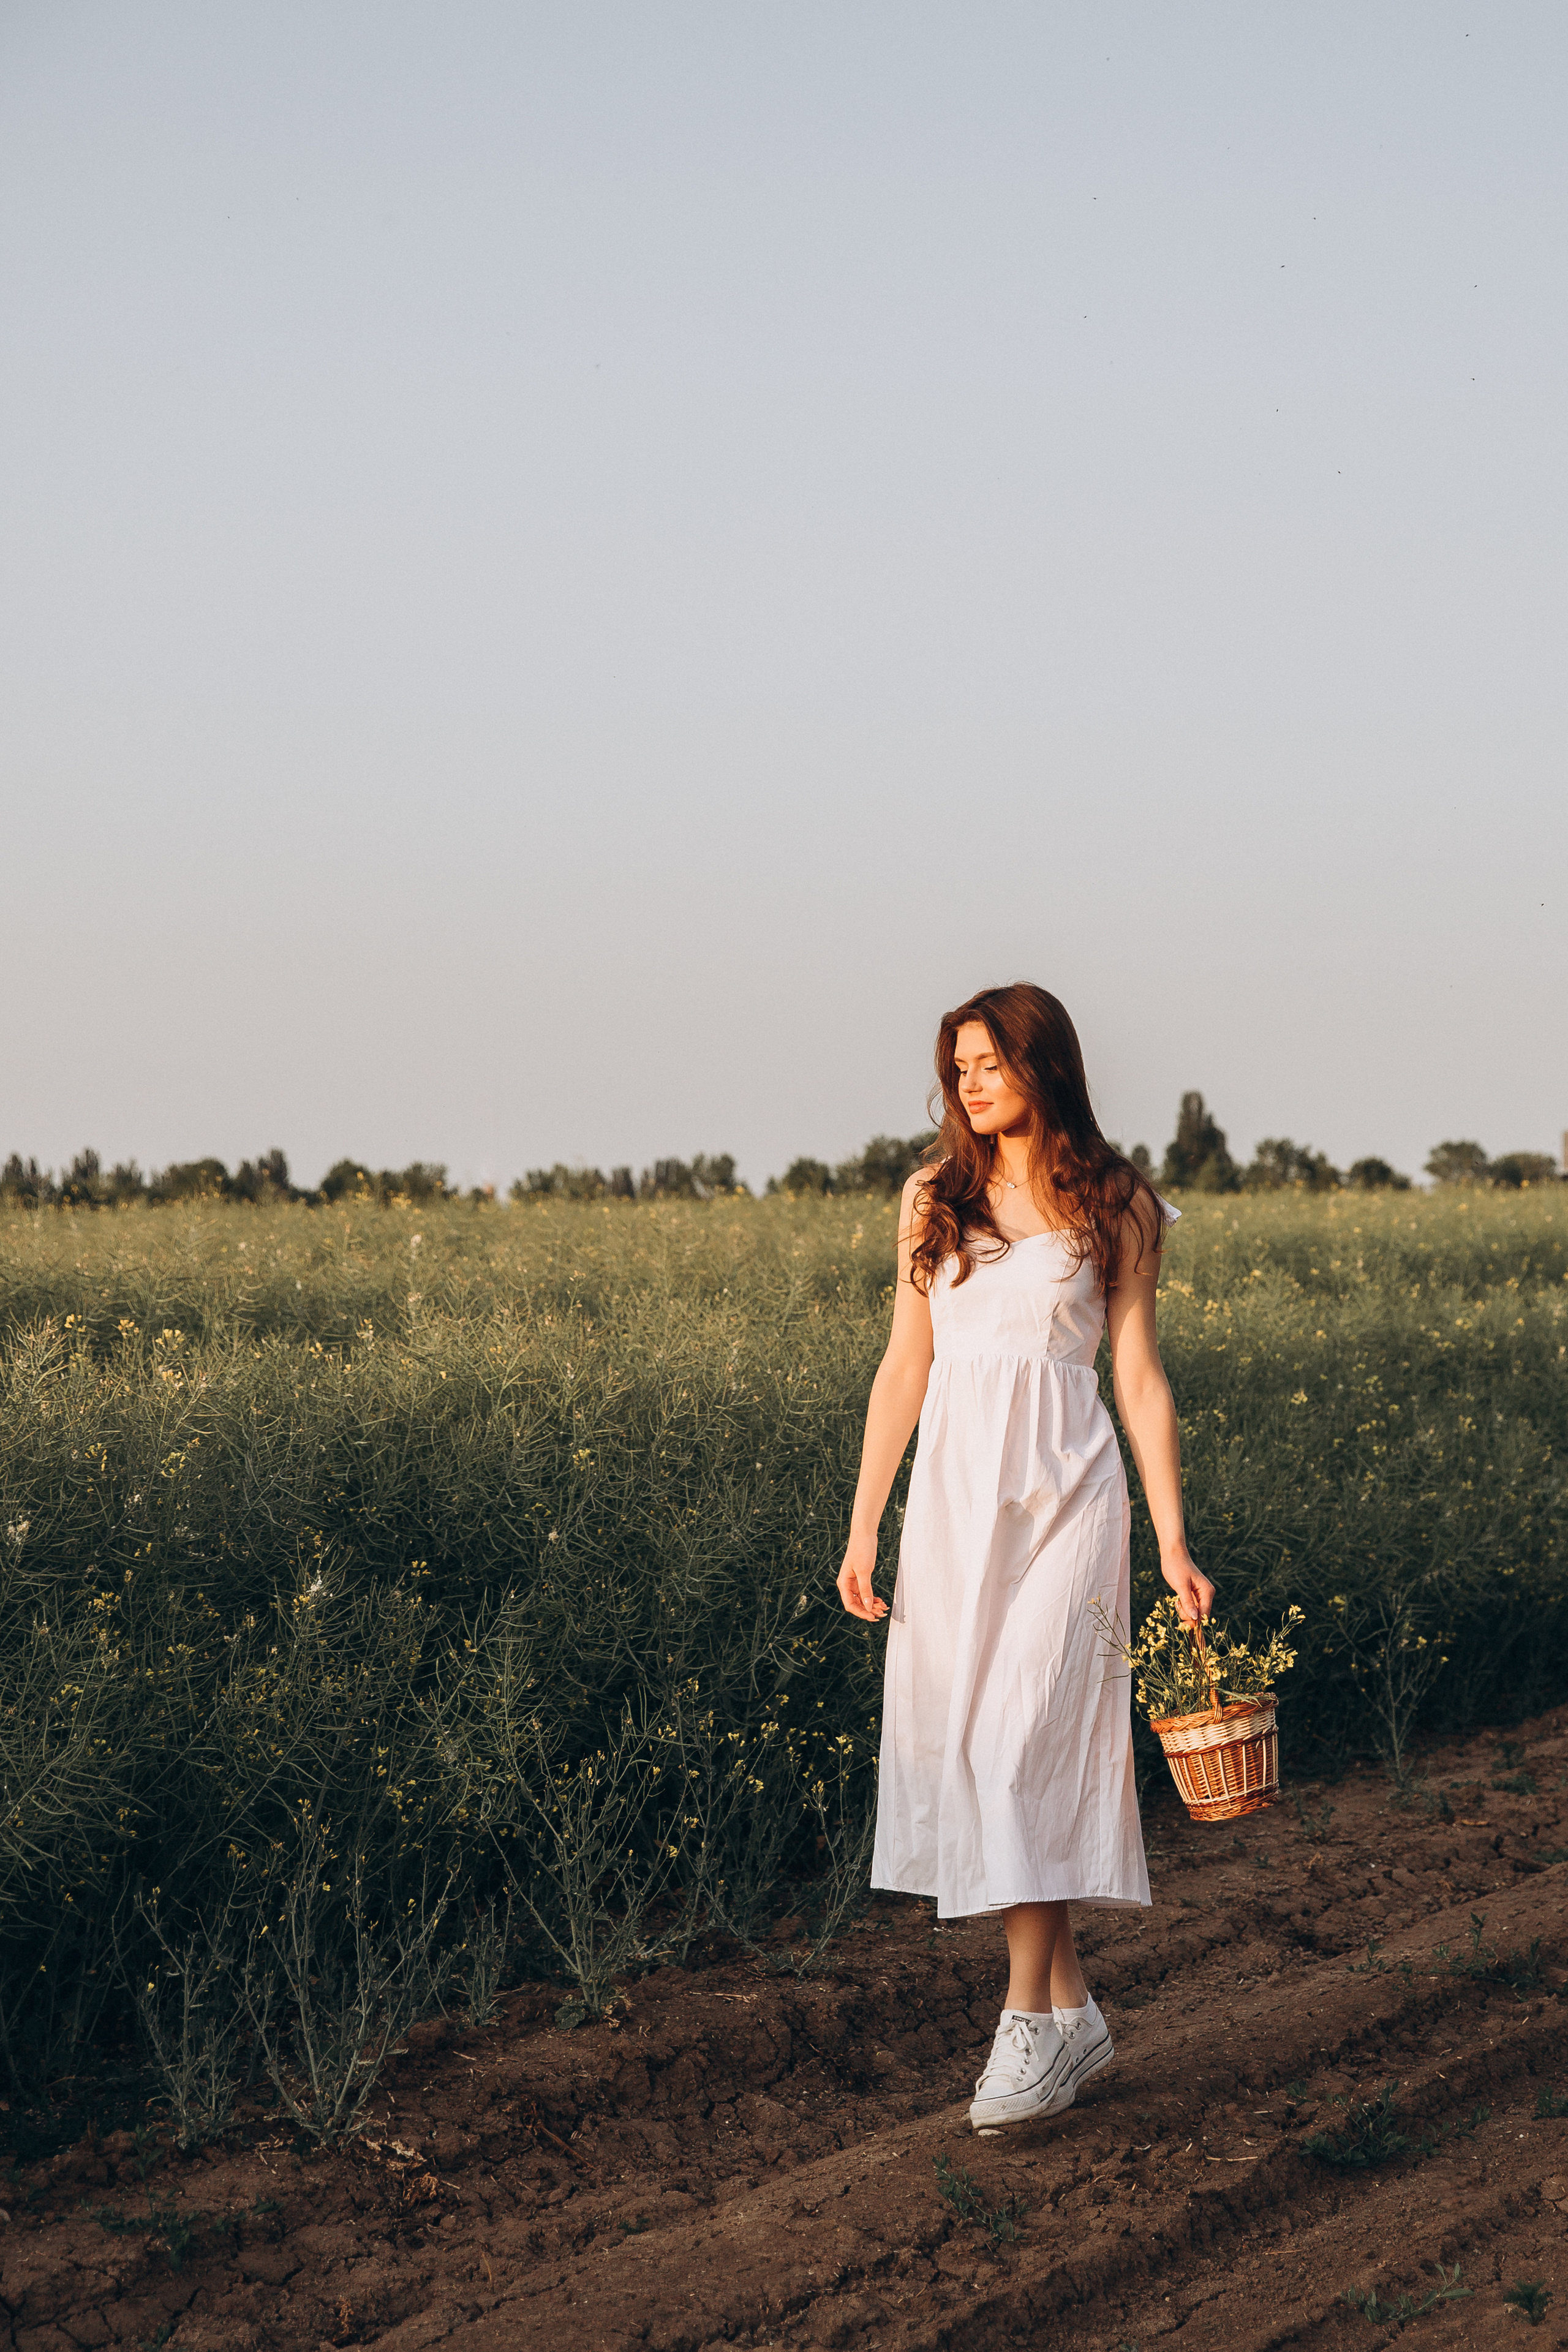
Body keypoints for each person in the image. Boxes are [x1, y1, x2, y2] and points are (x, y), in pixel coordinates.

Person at [836, 982, 1213, 2132]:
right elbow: (905, 1368)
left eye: (991, 1062)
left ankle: (1025, 2029)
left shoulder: (1118, 1202)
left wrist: (1173, 1540)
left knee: (1017, 1750)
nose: (972, 1084)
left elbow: (1139, 1380)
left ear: (1045, 1064)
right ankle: (1076, 2014)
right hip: (955, 1505)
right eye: (959, 1068)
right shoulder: (931, 1198)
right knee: (976, 1748)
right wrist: (862, 1524)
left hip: (1073, 1502)